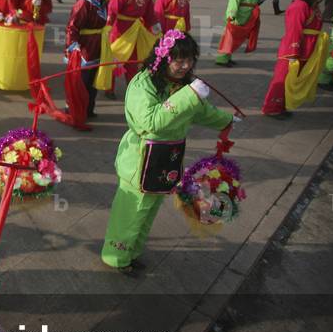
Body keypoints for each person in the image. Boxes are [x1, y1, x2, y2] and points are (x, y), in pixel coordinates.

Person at [101, 31, 236, 274]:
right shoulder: (144, 83)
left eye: (189, 60)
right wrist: (190, 95)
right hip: (140, 159)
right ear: (163, 57)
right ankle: (116, 257)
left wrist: (226, 120)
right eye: (179, 60)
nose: (185, 66)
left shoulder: (180, 85)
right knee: (131, 213)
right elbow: (151, 122)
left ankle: (132, 252)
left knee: (148, 212)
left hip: (167, 159)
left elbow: (201, 112)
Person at [261, 0, 327, 119]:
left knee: (293, 80)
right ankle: (272, 107)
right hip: (294, 50)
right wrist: (293, 53)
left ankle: (283, 105)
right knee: (283, 79)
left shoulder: (313, 6)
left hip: (308, 47)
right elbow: (294, 31)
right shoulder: (299, 6)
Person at [96, 0, 160, 97]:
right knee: (115, 59)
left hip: (134, 29)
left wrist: (155, 26)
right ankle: (109, 89)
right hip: (119, 28)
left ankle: (132, 87)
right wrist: (108, 25)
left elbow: (149, 11)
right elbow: (113, 8)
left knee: (133, 61)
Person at [65, 0, 109, 119]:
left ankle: (88, 108)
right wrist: (74, 46)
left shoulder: (103, 2)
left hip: (98, 45)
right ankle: (74, 109)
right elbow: (72, 26)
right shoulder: (84, 3)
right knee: (81, 81)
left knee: (93, 81)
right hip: (84, 47)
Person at [215, 0, 261, 67]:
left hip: (246, 17)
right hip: (237, 17)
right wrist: (231, 14)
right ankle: (221, 59)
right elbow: (233, 2)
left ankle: (228, 57)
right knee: (229, 38)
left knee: (235, 39)